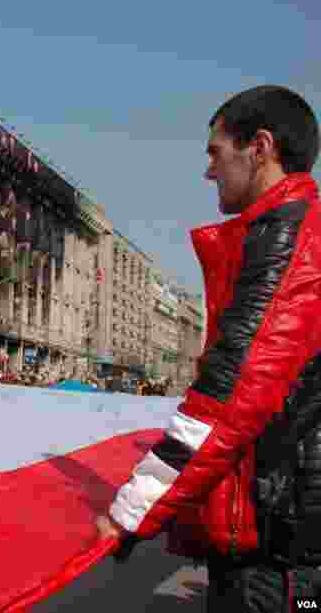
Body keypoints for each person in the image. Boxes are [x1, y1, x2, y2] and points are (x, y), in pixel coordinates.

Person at [95, 85, 321, 611]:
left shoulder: (290, 242)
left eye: (216, 153)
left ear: (259, 147)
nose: (209, 171)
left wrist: (131, 514)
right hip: (275, 535)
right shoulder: (278, 235)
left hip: (279, 557)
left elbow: (228, 398)